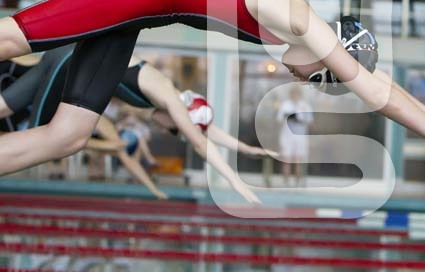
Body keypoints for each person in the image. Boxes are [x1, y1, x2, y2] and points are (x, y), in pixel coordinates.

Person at [0, 0, 425, 198]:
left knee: (69, 135)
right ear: (328, 58)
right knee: (10, 40)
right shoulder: (298, 20)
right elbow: (375, 92)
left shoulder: (305, 33)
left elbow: (383, 84)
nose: (304, 81)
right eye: (320, 80)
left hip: (137, 14)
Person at [0, 46, 276, 201]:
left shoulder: (172, 99)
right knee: (40, 142)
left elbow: (206, 133)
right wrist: (235, 181)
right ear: (181, 117)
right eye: (174, 129)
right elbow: (200, 143)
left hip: (67, 54)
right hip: (71, 61)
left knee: (4, 107)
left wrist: (245, 149)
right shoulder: (169, 97)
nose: (165, 130)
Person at [277, 86, 313, 186]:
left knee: (298, 160)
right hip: (287, 136)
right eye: (293, 93)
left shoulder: (305, 106)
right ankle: (285, 183)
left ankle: (297, 183)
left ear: (300, 94)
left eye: (297, 93)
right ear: (291, 94)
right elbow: (279, 120)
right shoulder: (285, 105)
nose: (295, 95)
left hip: (300, 137)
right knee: (286, 160)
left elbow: (310, 122)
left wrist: (300, 119)